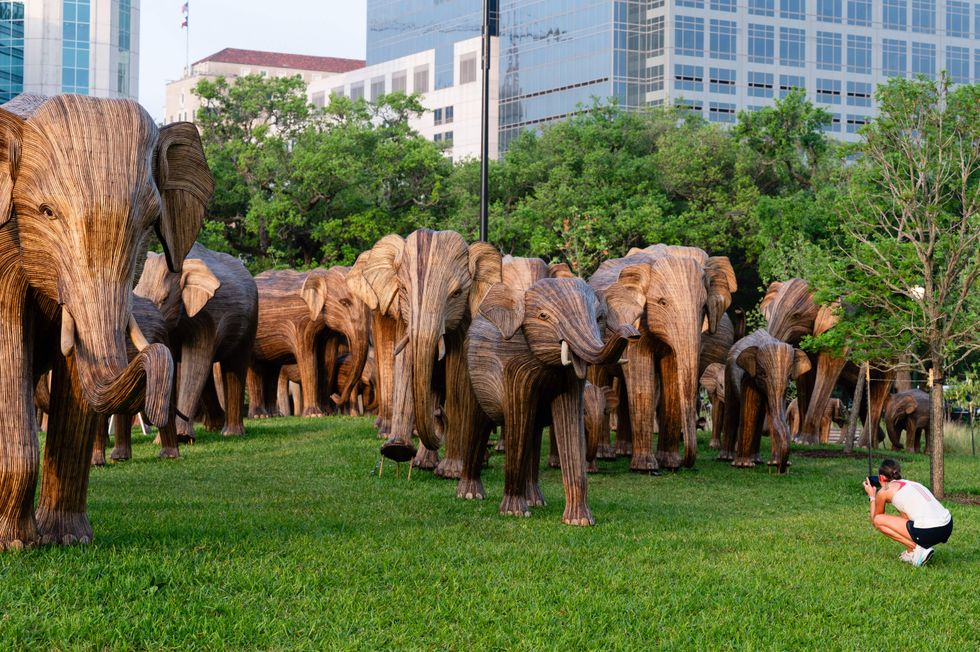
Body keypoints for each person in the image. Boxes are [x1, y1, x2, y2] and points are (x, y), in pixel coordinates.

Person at [863, 459, 953, 567]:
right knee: (904, 511)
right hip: (947, 526)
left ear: (881, 478)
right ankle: (911, 552)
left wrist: (872, 496)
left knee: (878, 520)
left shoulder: (884, 491)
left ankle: (918, 550)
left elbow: (875, 518)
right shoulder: (911, 483)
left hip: (929, 531)